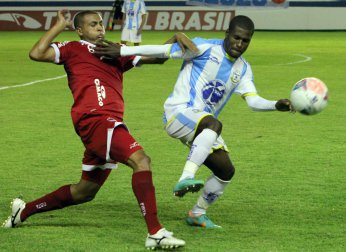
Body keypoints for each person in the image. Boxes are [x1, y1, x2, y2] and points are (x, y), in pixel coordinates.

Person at [1, 10, 197, 249]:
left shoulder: (115, 49)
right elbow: (36, 53)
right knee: (142, 161)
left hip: (106, 124)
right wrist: (58, 25)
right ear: (80, 30)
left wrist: (174, 39)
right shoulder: (73, 48)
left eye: (101, 23)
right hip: (95, 120)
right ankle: (155, 232)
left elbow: (155, 58)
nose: (100, 28)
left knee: (84, 192)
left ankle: (23, 211)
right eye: (93, 25)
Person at [92, 15, 294, 229]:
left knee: (225, 170)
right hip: (178, 112)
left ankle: (197, 213)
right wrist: (123, 51)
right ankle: (186, 177)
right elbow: (163, 51)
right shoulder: (203, 47)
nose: (239, 44)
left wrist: (275, 105)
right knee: (214, 124)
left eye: (245, 41)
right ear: (227, 34)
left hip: (200, 124)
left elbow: (253, 101)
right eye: (236, 38)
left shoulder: (243, 69)